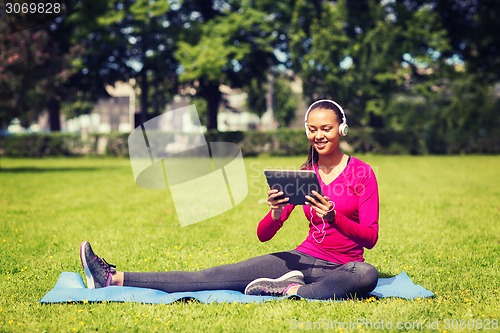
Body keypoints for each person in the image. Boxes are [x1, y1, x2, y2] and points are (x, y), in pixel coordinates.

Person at [80, 99, 380, 300]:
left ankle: (295, 291)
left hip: (343, 267)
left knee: (366, 275)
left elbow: (370, 238)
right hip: (300, 259)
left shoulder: (363, 174)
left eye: (326, 129)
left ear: (341, 129)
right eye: (312, 129)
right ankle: (112, 278)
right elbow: (263, 236)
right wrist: (275, 214)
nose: (319, 135)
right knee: (210, 276)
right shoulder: (304, 175)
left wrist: (333, 218)